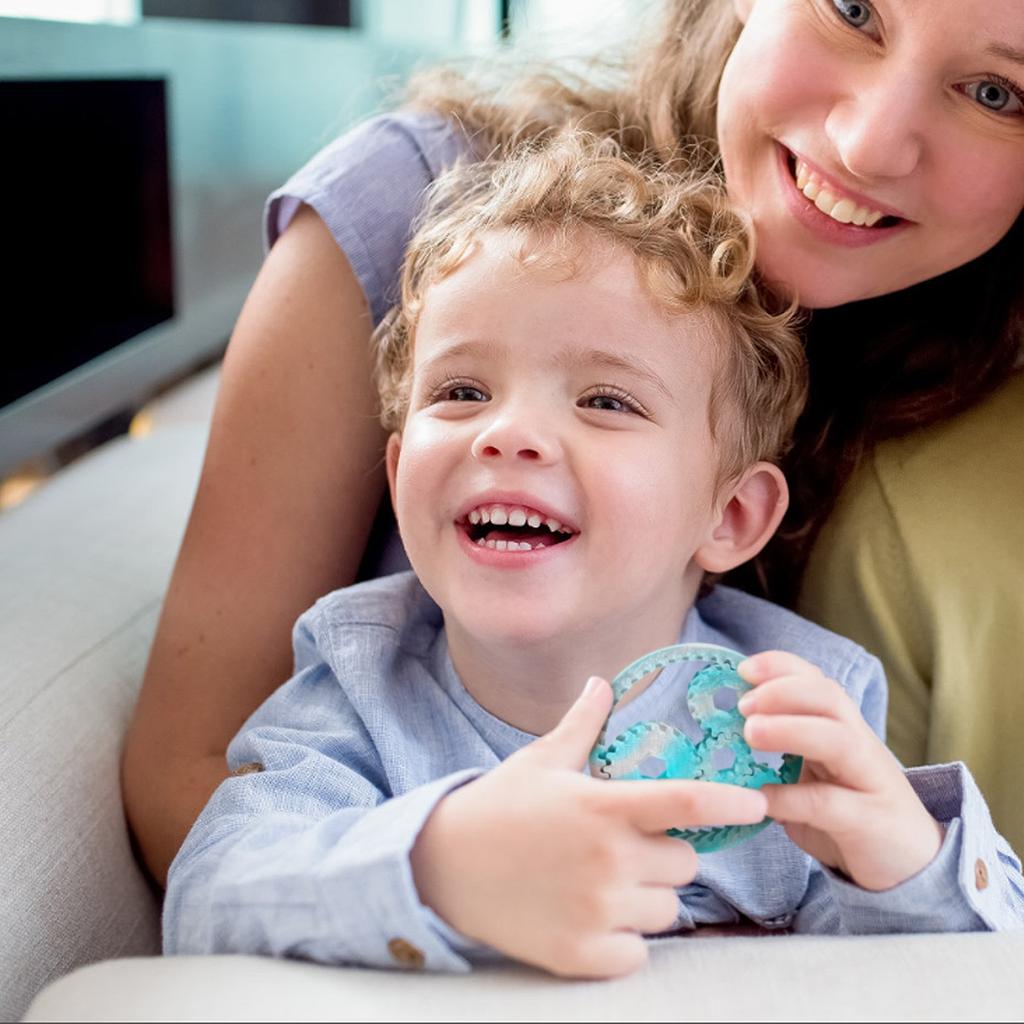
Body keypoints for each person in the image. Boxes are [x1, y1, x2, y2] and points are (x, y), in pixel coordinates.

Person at [123, 0, 1024, 885]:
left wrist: (914, 881)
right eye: (853, 9)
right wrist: (452, 893)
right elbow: (196, 783)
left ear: (741, 507)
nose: (870, 144)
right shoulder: (422, 217)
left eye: (995, 93)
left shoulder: (977, 366)